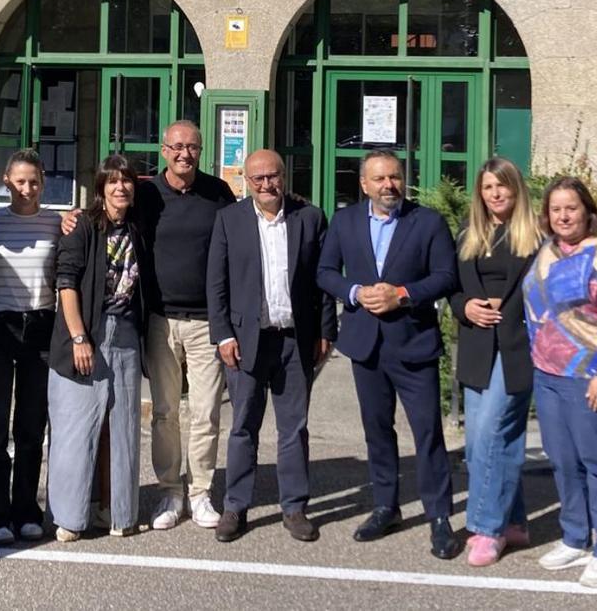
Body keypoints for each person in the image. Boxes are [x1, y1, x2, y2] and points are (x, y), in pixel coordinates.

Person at [62, 120, 234, 531]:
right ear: (163, 150)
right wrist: (71, 217)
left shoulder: (219, 194)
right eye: (176, 147)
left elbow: (243, 234)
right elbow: (109, 213)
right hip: (158, 320)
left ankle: (201, 492)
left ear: (200, 149)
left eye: (191, 147)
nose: (184, 154)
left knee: (207, 412)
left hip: (206, 321)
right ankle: (171, 491)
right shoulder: (147, 194)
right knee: (165, 412)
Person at [316, 149, 461, 559]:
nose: (388, 186)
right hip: (366, 345)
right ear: (364, 184)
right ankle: (386, 506)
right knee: (377, 431)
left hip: (413, 344)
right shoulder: (344, 221)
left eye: (394, 177)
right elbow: (325, 273)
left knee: (428, 434)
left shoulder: (427, 222)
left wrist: (403, 294)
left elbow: (446, 276)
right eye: (379, 179)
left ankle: (439, 517)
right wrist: (356, 293)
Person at [206, 150, 336, 543]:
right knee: (243, 425)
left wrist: (325, 331)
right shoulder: (229, 219)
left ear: (284, 175)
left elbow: (323, 280)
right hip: (247, 342)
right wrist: (223, 334)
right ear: (246, 181)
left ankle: (294, 507)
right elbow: (217, 283)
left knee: (293, 428)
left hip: (295, 340)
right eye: (258, 178)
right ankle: (235, 506)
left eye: (273, 176)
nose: (267, 184)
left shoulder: (309, 217)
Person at [523, 176, 597, 588]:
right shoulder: (546, 250)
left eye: (571, 207)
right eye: (556, 209)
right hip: (548, 375)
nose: (563, 215)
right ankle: (575, 538)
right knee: (563, 461)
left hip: (591, 376)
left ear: (588, 212)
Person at [47, 155, 149, 542]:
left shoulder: (138, 228)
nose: (120, 188)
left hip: (125, 336)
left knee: (124, 428)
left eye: (126, 182)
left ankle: (121, 513)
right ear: (101, 188)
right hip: (84, 333)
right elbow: (66, 283)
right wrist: (78, 337)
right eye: (112, 182)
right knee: (75, 428)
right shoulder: (83, 228)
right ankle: (69, 517)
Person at [448, 158, 543, 567]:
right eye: (488, 187)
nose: (496, 194)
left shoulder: (537, 237)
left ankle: (487, 528)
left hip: (517, 347)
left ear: (516, 190)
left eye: (502, 186)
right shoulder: (469, 234)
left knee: (491, 434)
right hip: (477, 347)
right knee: (479, 442)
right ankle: (516, 522)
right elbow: (451, 289)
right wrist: (465, 307)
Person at [0, 148, 62, 545]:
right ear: (6, 181)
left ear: (43, 182)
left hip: (42, 325)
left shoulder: (57, 223)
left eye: (34, 181)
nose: (27, 188)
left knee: (31, 425)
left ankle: (27, 509)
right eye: (19, 181)